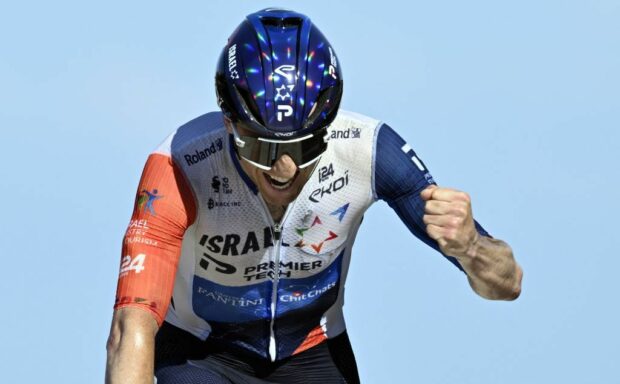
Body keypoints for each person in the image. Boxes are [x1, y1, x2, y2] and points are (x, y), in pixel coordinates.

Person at [105, 8, 523, 384]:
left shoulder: (368, 151)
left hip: (312, 352)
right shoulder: (183, 162)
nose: (283, 170)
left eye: (304, 147)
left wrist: (470, 248)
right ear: (229, 123)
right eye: (262, 149)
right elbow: (132, 327)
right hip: (201, 354)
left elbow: (507, 285)